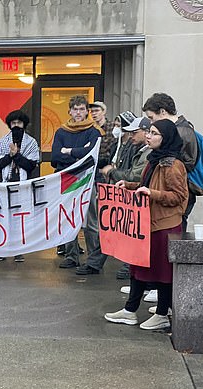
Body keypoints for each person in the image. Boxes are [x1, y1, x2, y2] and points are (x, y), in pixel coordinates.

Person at [104, 119, 188, 330]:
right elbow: (146, 185)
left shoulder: (173, 164)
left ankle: (162, 313)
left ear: (166, 138)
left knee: (162, 272)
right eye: (149, 132)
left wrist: (153, 194)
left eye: (154, 133)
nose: (148, 136)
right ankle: (130, 310)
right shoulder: (154, 160)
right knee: (138, 267)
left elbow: (179, 197)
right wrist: (130, 186)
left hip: (165, 226)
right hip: (148, 224)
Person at [50, 95, 103, 269]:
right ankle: (71, 256)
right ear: (69, 111)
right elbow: (55, 156)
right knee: (68, 219)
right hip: (67, 179)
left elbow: (91, 155)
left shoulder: (93, 131)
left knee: (91, 222)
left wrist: (69, 151)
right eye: (75, 109)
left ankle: (94, 260)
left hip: (88, 180)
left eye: (82, 109)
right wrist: (78, 153)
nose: (78, 112)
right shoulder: (61, 131)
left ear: (87, 111)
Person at [100, 115, 153, 280]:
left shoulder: (147, 153)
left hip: (145, 200)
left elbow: (134, 175)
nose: (131, 136)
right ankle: (135, 274)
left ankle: (146, 281)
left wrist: (112, 172)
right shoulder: (139, 149)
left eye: (134, 132)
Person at [142, 93, 198, 230]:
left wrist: (154, 191)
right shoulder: (157, 157)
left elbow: (183, 169)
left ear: (162, 112)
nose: (151, 123)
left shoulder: (182, 133)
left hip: (170, 212)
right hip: (160, 209)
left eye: (151, 118)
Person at [0, 109, 40, 262]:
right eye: (13, 123)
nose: (16, 125)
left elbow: (31, 164)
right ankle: (2, 249)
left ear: (24, 124)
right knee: (3, 216)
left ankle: (18, 249)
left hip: (22, 184)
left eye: (19, 123)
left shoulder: (31, 142)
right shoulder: (3, 142)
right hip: (4, 184)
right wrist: (10, 155)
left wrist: (17, 156)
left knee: (19, 218)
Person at [76, 101, 119, 275]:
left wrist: (87, 152)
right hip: (90, 178)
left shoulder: (110, 128)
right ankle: (93, 257)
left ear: (104, 111)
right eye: (91, 110)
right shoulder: (88, 129)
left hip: (104, 178)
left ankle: (98, 257)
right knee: (90, 219)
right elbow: (85, 153)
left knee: (100, 220)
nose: (94, 113)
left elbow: (105, 153)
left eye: (97, 110)